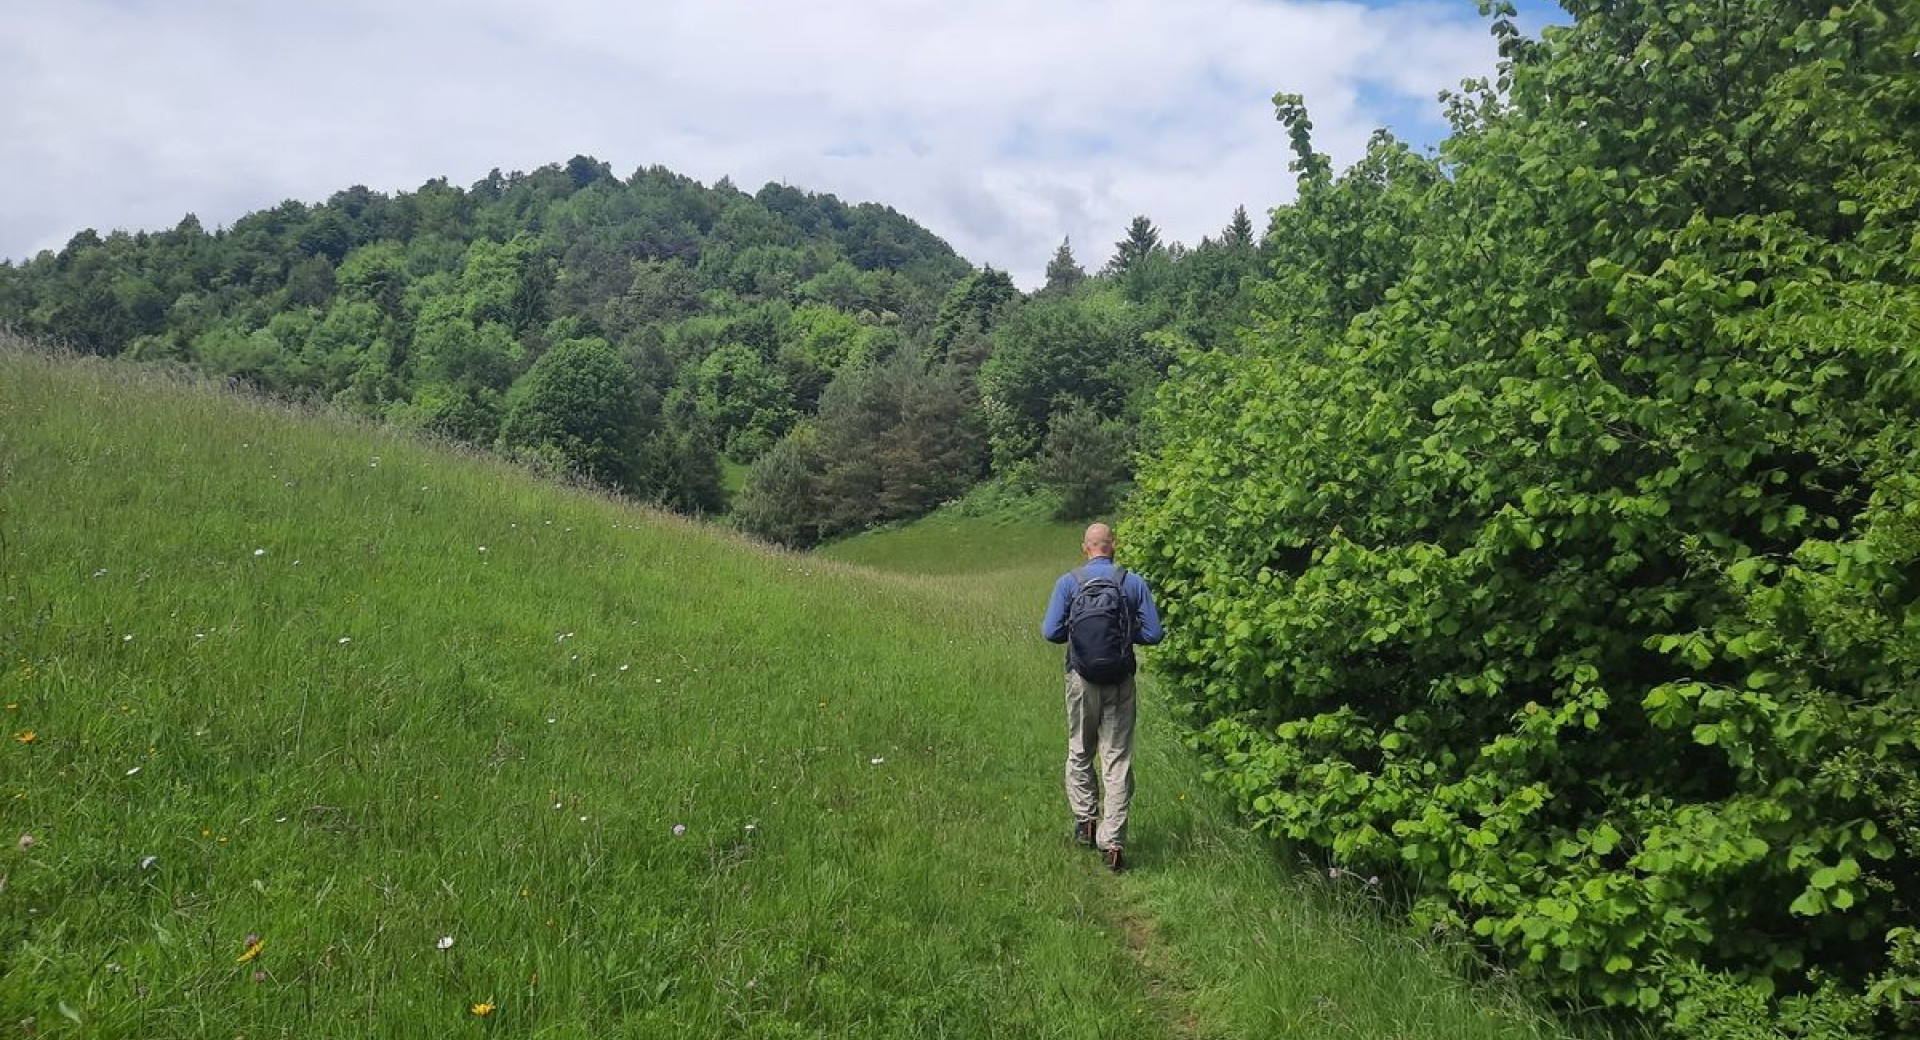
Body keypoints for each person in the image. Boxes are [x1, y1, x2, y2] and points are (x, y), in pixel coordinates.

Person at [1040, 522, 1163, 872]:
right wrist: (1125, 635)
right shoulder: (1132, 582)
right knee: (1117, 758)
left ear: (1085, 548)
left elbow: (1051, 632)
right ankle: (1113, 843)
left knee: (1080, 748)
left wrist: (1078, 632)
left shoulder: (1069, 583)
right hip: (1121, 680)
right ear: (1114, 546)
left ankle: (1086, 820)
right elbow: (1154, 634)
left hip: (1081, 678)